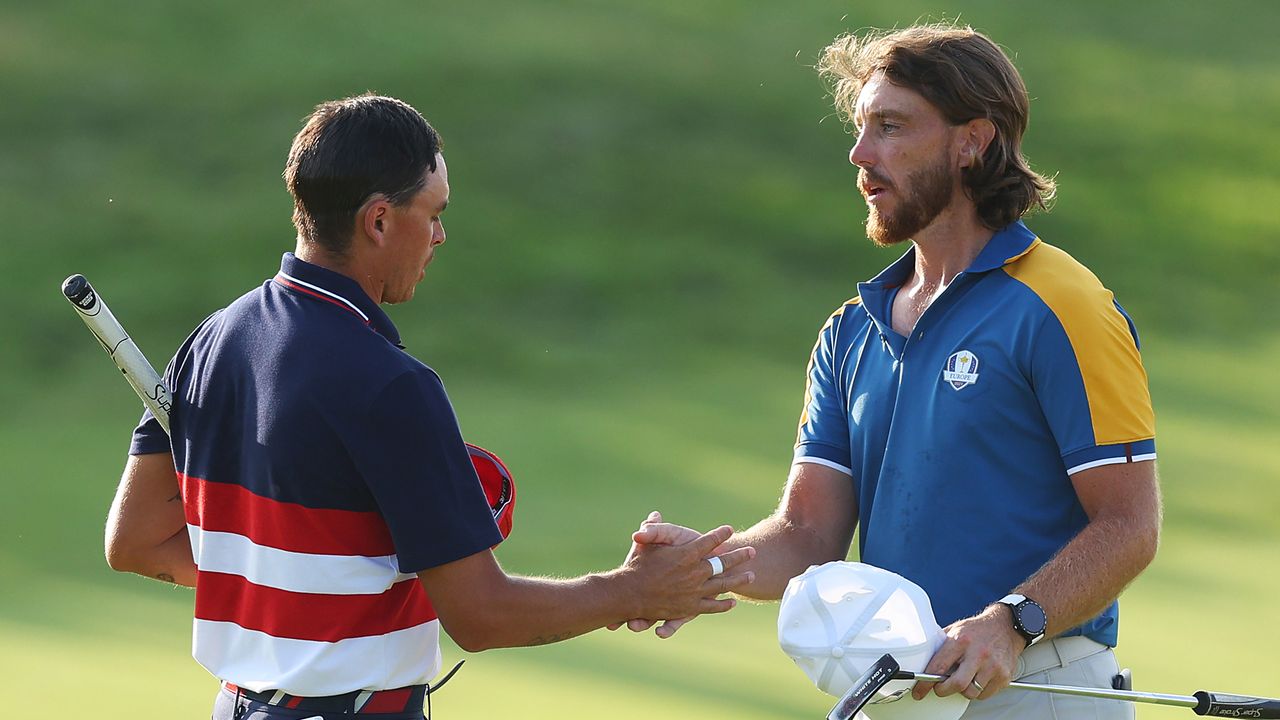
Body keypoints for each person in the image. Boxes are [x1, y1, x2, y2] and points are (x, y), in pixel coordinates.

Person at [103, 94, 755, 720]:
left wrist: (291, 585)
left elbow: (136, 542)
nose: (440, 236)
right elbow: (482, 616)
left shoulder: (209, 341)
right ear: (380, 219)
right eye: (434, 213)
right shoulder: (390, 385)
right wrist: (631, 589)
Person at [628, 24, 1161, 720]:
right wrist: (705, 568)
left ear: (972, 142)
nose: (860, 154)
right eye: (860, 127)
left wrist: (1012, 621)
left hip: (1039, 686)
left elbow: (1129, 524)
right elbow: (807, 535)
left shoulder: (1064, 305)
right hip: (907, 695)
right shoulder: (851, 330)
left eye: (890, 127)